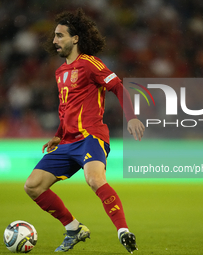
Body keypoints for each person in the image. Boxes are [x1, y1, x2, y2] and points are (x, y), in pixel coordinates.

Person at [24, 9, 145, 253]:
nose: (55, 40)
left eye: (60, 36)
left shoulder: (90, 64)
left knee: (95, 179)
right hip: (67, 142)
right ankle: (73, 228)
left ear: (75, 38)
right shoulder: (60, 72)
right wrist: (58, 134)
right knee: (33, 186)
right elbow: (65, 108)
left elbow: (119, 87)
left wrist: (131, 118)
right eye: (54, 36)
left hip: (91, 137)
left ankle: (123, 231)